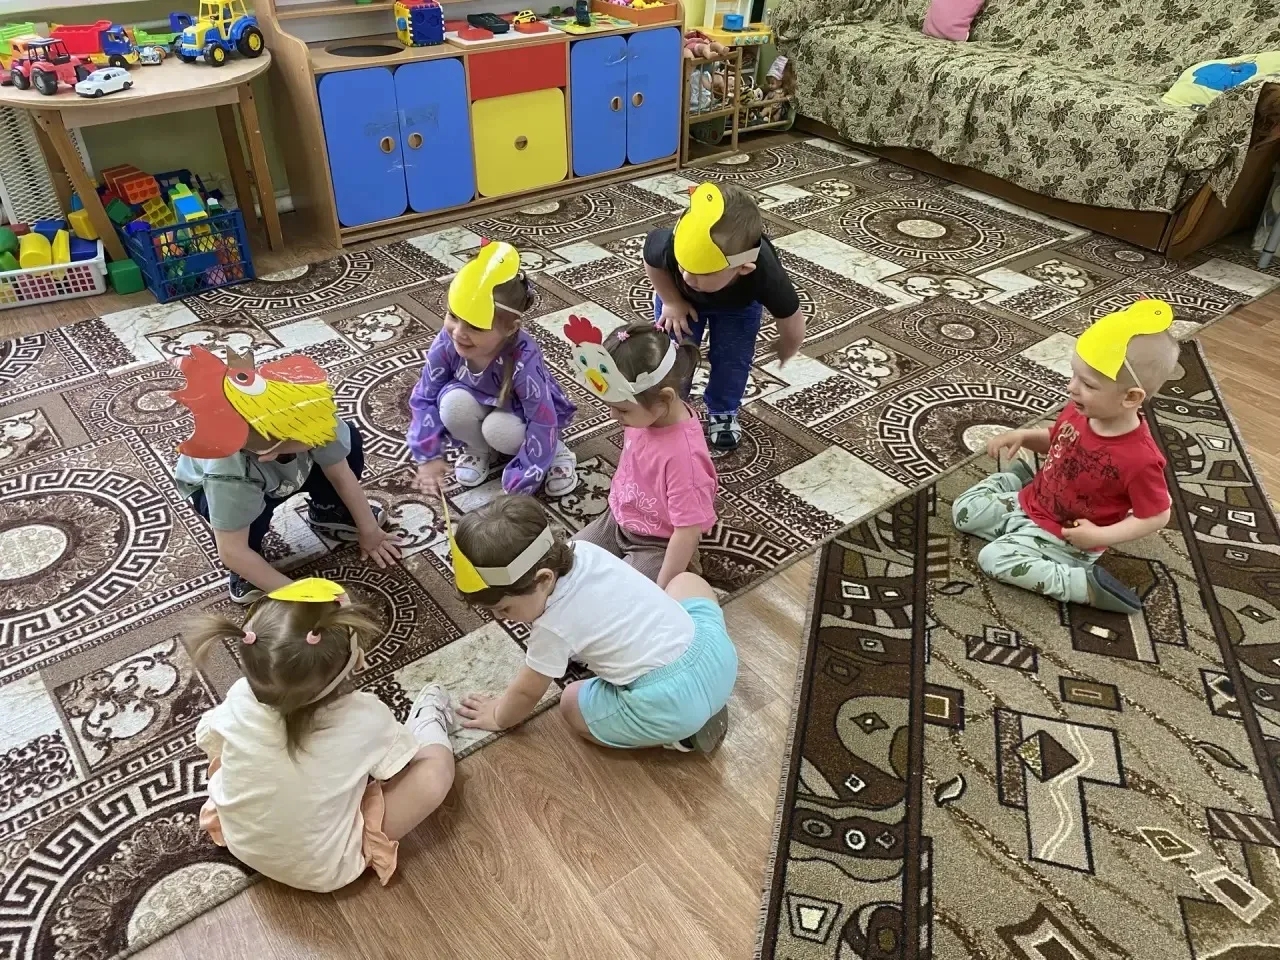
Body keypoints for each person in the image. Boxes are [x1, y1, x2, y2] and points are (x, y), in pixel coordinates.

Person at [191, 578, 456, 892]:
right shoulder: (367, 716)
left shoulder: (239, 696)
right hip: (326, 868)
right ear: (358, 659)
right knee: (433, 773)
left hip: (239, 840)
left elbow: (207, 738)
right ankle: (428, 720)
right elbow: (395, 767)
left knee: (231, 754)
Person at [446, 495, 737, 752]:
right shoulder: (585, 550)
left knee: (571, 703)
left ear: (544, 579)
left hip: (668, 705)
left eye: (504, 608)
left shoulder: (551, 628)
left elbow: (527, 692)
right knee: (685, 581)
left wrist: (498, 716)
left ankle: (680, 737)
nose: (500, 618)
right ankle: (700, 697)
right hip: (717, 657)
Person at [953, 300, 1180, 613]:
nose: (1071, 387)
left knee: (994, 558)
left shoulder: (1140, 459)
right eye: (1074, 375)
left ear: (1130, 397)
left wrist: (1099, 535)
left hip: (1067, 536)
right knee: (963, 512)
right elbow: (1057, 440)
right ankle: (1017, 480)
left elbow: (1157, 515)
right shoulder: (1079, 410)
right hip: (1034, 501)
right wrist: (1024, 436)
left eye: (1087, 384)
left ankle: (1083, 586)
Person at [171, 346, 399, 605]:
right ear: (268, 452)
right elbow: (231, 550)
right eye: (309, 437)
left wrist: (370, 531)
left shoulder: (309, 415)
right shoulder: (230, 475)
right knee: (245, 529)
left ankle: (329, 511)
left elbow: (340, 474)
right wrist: (299, 594)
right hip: (224, 490)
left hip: (284, 468)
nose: (322, 432)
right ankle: (250, 571)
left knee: (349, 442)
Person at [408, 241, 577, 497]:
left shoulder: (524, 357)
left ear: (510, 328)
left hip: (518, 415)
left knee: (499, 430)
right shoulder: (447, 340)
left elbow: (541, 420)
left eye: (476, 326)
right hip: (479, 401)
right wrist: (427, 453)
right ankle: (479, 449)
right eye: (453, 316)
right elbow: (425, 396)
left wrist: (522, 481)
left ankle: (556, 452)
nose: (459, 333)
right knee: (452, 405)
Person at [644, 181, 804, 451]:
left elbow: (791, 316)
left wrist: (788, 346)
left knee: (733, 359)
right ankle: (671, 407)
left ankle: (723, 410)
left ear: (743, 268)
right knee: (673, 356)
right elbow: (652, 259)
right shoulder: (672, 244)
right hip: (679, 302)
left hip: (738, 307)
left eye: (704, 271)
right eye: (684, 264)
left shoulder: (765, 274)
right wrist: (671, 301)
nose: (688, 276)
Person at [562, 317, 717, 587]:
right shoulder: (643, 416)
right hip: (616, 521)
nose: (613, 416)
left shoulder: (685, 459)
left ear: (664, 399)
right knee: (566, 565)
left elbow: (687, 531)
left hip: (659, 543)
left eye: (622, 409)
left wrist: (662, 589)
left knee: (626, 594)